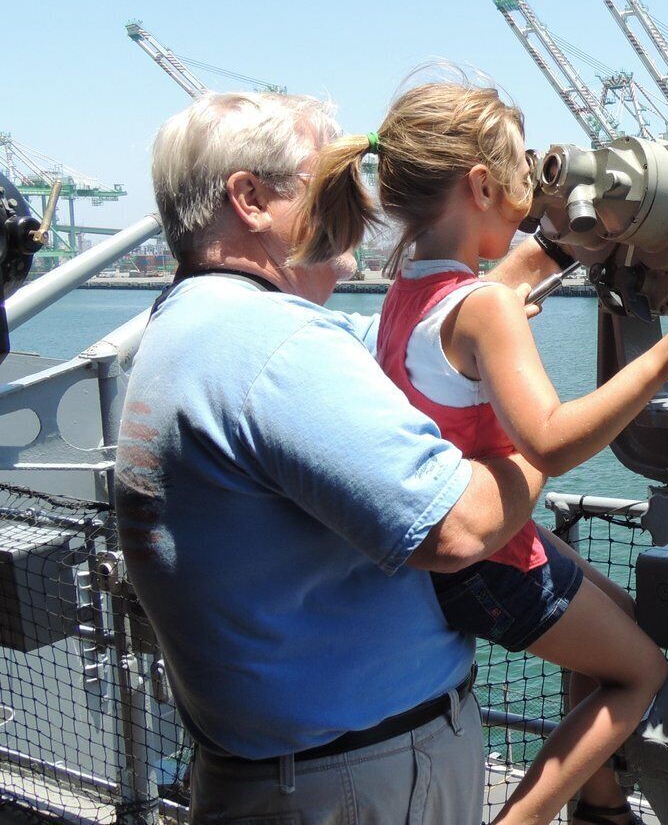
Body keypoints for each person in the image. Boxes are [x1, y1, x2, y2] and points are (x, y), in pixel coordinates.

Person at [114, 91, 566, 823]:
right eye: (327, 181)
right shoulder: (275, 352)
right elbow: (458, 529)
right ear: (250, 199)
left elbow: (421, 336)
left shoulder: (198, 327)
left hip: (283, 772)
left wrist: (553, 251)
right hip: (356, 783)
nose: (357, 199)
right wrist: (539, 432)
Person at [292, 80, 668, 825]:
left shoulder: (411, 288)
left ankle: (600, 799)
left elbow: (498, 282)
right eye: (527, 174)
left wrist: (563, 242)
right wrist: (661, 359)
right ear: (483, 184)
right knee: (642, 673)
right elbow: (551, 440)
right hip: (491, 562)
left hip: (459, 553)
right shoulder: (485, 307)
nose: (535, 187)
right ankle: (530, 818)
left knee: (618, 627)